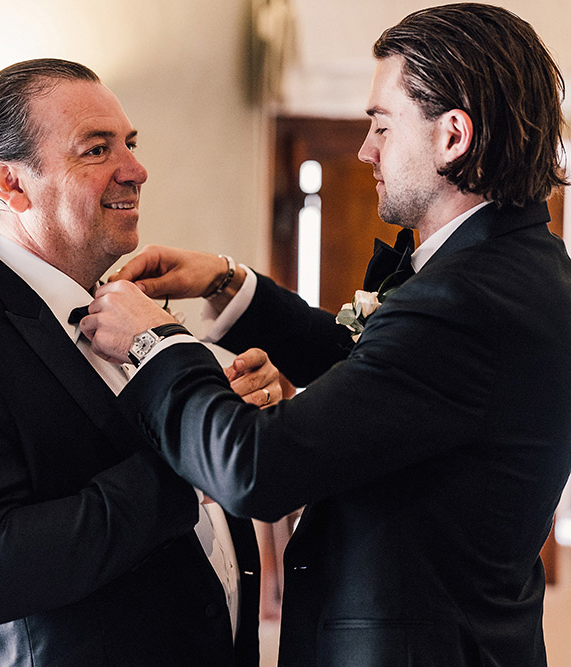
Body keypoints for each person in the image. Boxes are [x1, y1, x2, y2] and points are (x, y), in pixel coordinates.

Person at [80, 3, 571, 665]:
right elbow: (383, 373)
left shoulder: (466, 297)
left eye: (382, 124)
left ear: (454, 136)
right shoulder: (521, 269)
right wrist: (229, 282)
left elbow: (259, 469)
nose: (366, 148)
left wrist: (154, 342)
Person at [0, 58, 281, 666]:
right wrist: (188, 462)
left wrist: (215, 403)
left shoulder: (125, 306)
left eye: (130, 143)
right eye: (97, 150)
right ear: (9, 184)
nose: (136, 170)